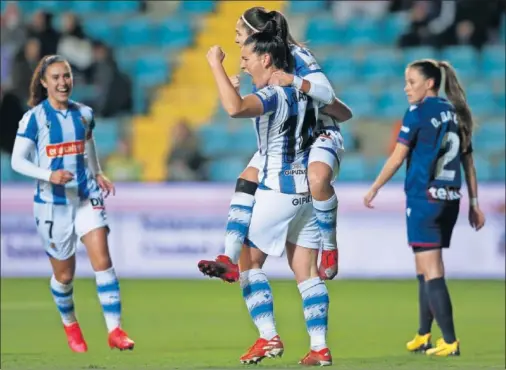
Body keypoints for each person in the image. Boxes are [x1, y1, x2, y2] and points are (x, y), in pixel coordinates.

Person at [205, 24, 340, 366]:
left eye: (247, 58)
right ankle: (319, 348)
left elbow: (236, 109)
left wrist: (215, 66)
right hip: (306, 195)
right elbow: (340, 110)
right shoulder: (304, 92)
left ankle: (268, 337)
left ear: (266, 58)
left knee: (248, 264)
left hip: (279, 190)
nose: (244, 64)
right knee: (305, 273)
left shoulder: (272, 95)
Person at [199, 7, 352, 284]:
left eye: (238, 33)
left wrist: (293, 80)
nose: (235, 40)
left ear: (256, 35)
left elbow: (329, 97)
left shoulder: (297, 56)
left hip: (318, 132)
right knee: (246, 178)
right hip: (286, 140)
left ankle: (330, 247)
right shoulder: (258, 61)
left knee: (317, 178)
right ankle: (228, 258)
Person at [10, 55, 134, 353]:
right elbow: (17, 161)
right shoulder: (34, 118)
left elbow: (87, 141)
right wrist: (49, 174)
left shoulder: (84, 113)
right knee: (64, 276)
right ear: (44, 82)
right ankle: (70, 324)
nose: (63, 82)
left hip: (85, 194)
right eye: (55, 77)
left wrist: (97, 171)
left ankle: (115, 330)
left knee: (102, 259)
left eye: (66, 76)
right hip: (52, 205)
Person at [363, 59, 486, 356]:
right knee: (423, 267)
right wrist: (474, 203)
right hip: (450, 200)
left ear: (429, 83)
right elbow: (468, 162)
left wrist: (375, 186)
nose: (406, 88)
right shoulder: (456, 112)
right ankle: (423, 334)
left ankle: (450, 340)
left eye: (411, 82)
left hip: (425, 199)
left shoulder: (417, 113)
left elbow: (396, 157)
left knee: (432, 271)